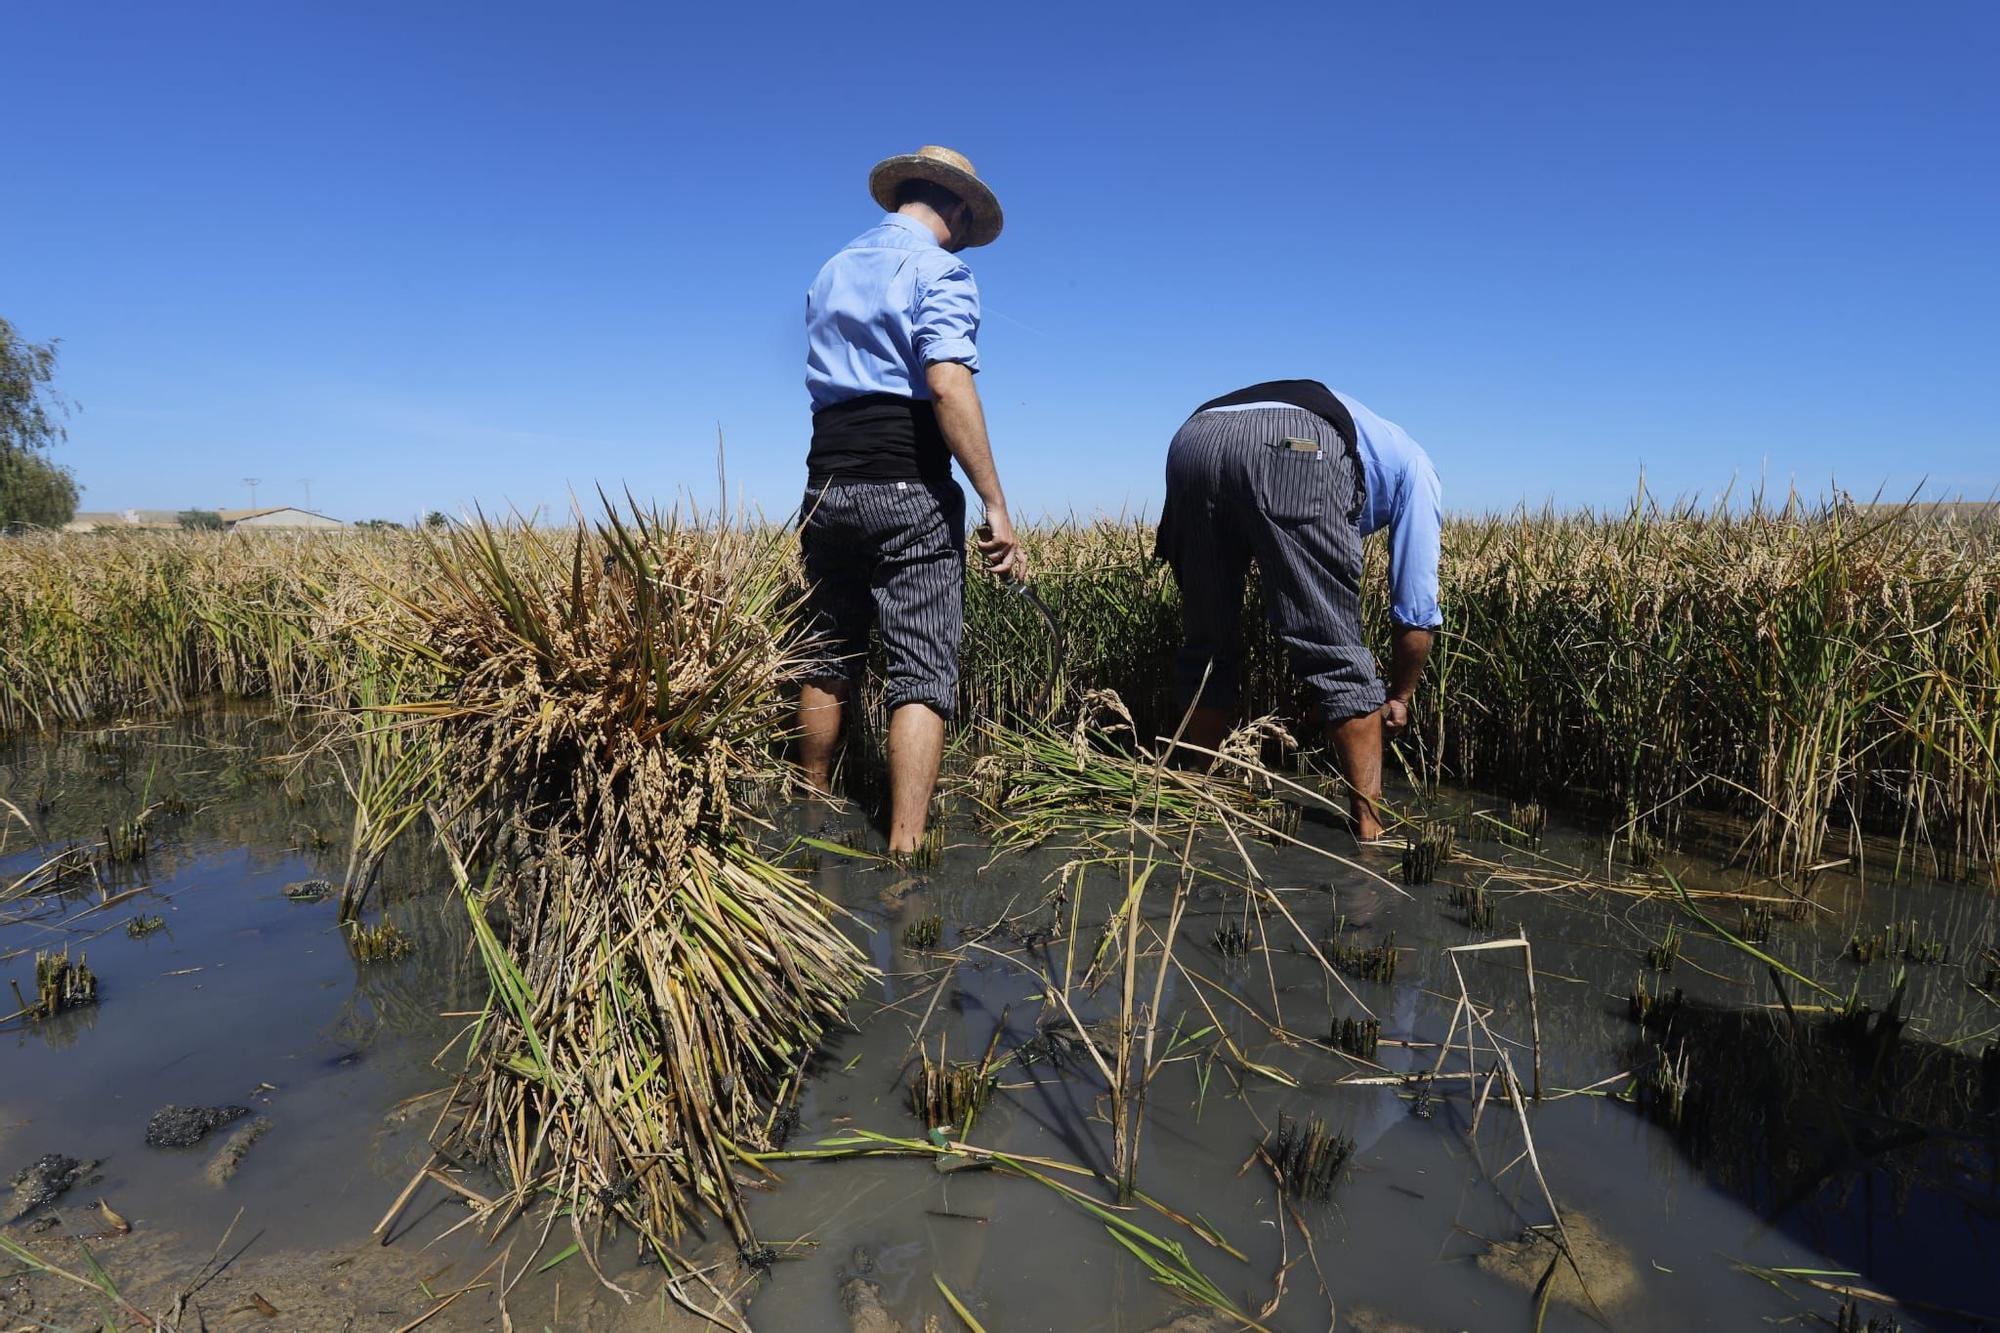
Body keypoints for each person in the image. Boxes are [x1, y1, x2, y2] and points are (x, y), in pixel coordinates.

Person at [796, 145, 1024, 857]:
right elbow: (949, 384)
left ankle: (810, 811)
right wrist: (995, 504)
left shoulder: (831, 268)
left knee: (826, 652)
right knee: (922, 671)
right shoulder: (940, 269)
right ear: (954, 207)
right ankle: (905, 852)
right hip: (907, 483)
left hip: (824, 483)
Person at [1155, 379, 1442, 840]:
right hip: (1294, 440)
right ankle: (1371, 832)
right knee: (1338, 656)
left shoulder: (1378, 442)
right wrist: (1400, 697)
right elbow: (1416, 608)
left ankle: (1191, 797)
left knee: (1207, 644)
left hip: (1195, 439)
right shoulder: (1419, 469)